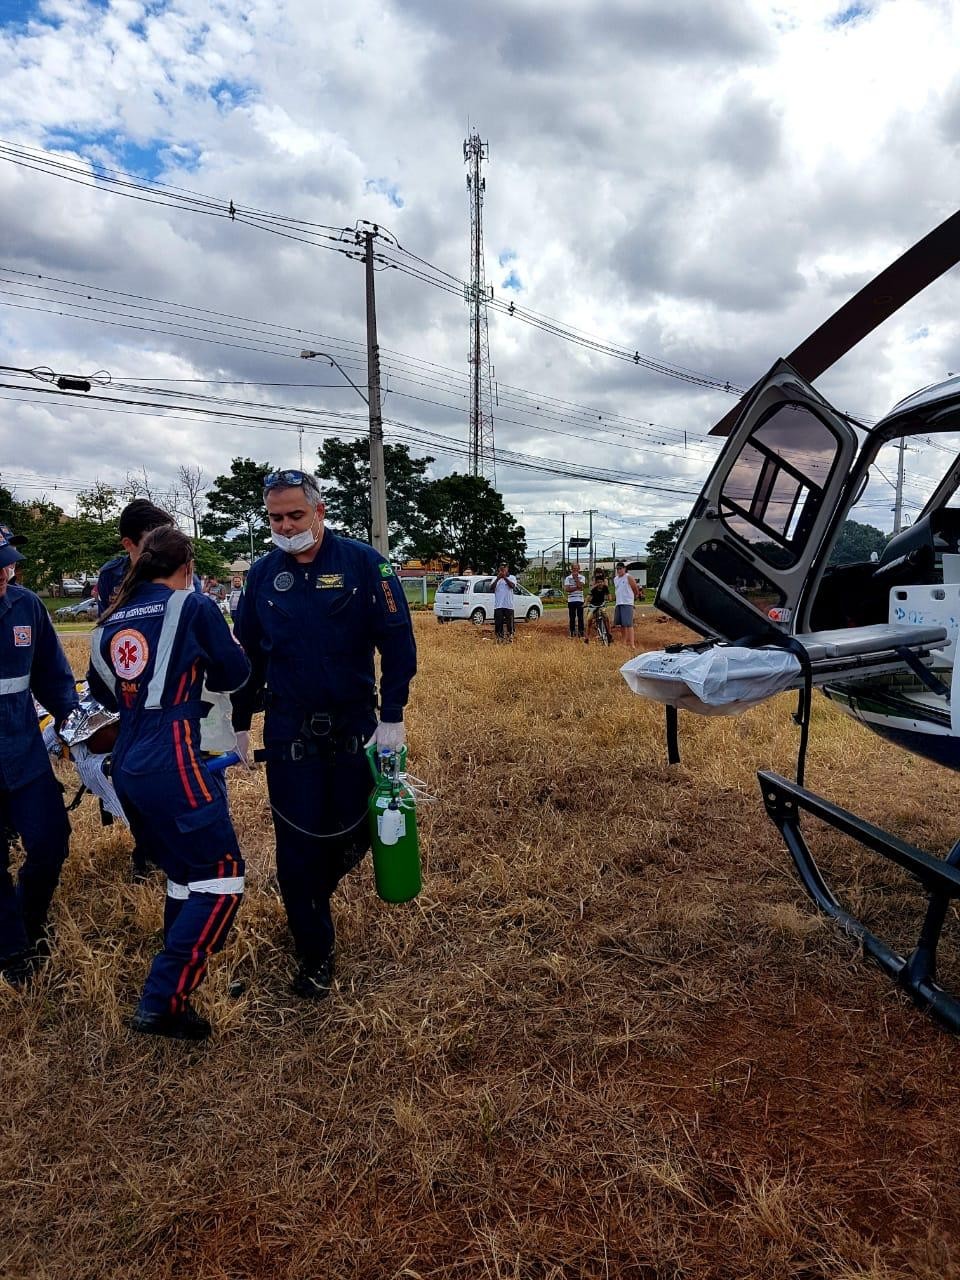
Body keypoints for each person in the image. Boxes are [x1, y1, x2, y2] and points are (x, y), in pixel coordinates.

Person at [232, 469, 417, 1000]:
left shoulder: (365, 564)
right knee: (296, 852)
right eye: (275, 517)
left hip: (356, 730)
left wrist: (393, 714)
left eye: (295, 514)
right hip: (290, 736)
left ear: (320, 512)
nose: (285, 525)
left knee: (361, 832)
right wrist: (241, 725)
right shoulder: (263, 576)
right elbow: (247, 656)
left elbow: (398, 646)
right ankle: (314, 952)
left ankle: (312, 892)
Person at [87, 526, 251, 1040]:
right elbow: (234, 674)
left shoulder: (107, 622)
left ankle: (179, 958)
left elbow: (106, 694)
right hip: (174, 754)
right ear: (188, 565)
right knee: (223, 875)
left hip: (129, 760)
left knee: (183, 870)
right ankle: (163, 999)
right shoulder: (192, 605)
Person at [0, 523, 78, 986]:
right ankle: (12, 949)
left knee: (50, 840)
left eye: (6, 563)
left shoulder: (26, 607)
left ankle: (30, 921)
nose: (5, 573)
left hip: (23, 754)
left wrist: (72, 725)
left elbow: (53, 677)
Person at [96, 499, 201, 617]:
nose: (163, 551)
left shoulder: (184, 578)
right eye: (151, 544)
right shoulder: (111, 575)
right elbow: (104, 624)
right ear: (128, 544)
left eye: (167, 542)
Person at [613, 561, 642, 647]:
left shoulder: (628, 577)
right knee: (622, 624)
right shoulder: (616, 579)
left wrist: (634, 598)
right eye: (617, 569)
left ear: (624, 569)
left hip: (627, 602)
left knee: (629, 624)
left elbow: (635, 588)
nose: (619, 570)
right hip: (619, 602)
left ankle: (632, 644)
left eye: (620, 569)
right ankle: (624, 642)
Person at [492, 562, 517, 644]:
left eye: (504, 568)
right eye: (501, 568)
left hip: (508, 605)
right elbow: (491, 588)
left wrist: (505, 578)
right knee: (498, 623)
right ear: (499, 569)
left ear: (507, 569)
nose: (503, 570)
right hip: (498, 606)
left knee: (510, 623)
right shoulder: (495, 578)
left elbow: (512, 586)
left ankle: (510, 637)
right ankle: (499, 638)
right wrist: (498, 579)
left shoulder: (512, 577)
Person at [584, 569, 610, 644]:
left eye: (600, 574)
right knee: (589, 620)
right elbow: (590, 593)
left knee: (606, 617)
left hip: (601, 603)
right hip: (593, 605)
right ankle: (587, 637)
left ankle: (609, 634)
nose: (599, 576)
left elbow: (607, 591)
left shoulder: (605, 583)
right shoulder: (594, 583)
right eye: (597, 574)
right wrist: (586, 603)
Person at [563, 562, 586, 639]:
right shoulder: (567, 578)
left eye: (577, 569)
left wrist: (576, 580)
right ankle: (572, 632)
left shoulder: (582, 577)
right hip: (571, 600)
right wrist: (577, 588)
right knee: (572, 617)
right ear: (571, 569)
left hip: (580, 599)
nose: (575, 570)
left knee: (580, 617)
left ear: (579, 569)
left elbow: (581, 586)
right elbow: (567, 589)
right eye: (574, 569)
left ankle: (581, 632)